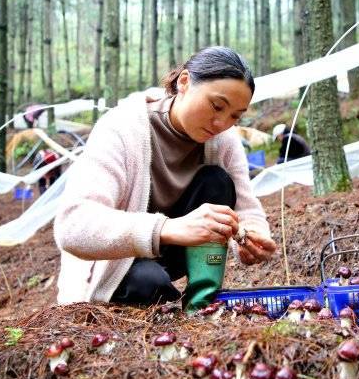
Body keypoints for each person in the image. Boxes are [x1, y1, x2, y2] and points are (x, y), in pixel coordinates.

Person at [53, 47, 276, 311]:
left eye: (234, 117)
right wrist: (167, 228)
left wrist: (252, 237)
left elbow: (246, 207)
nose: (220, 123)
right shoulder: (122, 128)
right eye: (216, 106)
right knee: (151, 284)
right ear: (184, 82)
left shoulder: (223, 141)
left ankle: (200, 303)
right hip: (114, 262)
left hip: (174, 250)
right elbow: (73, 226)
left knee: (217, 180)